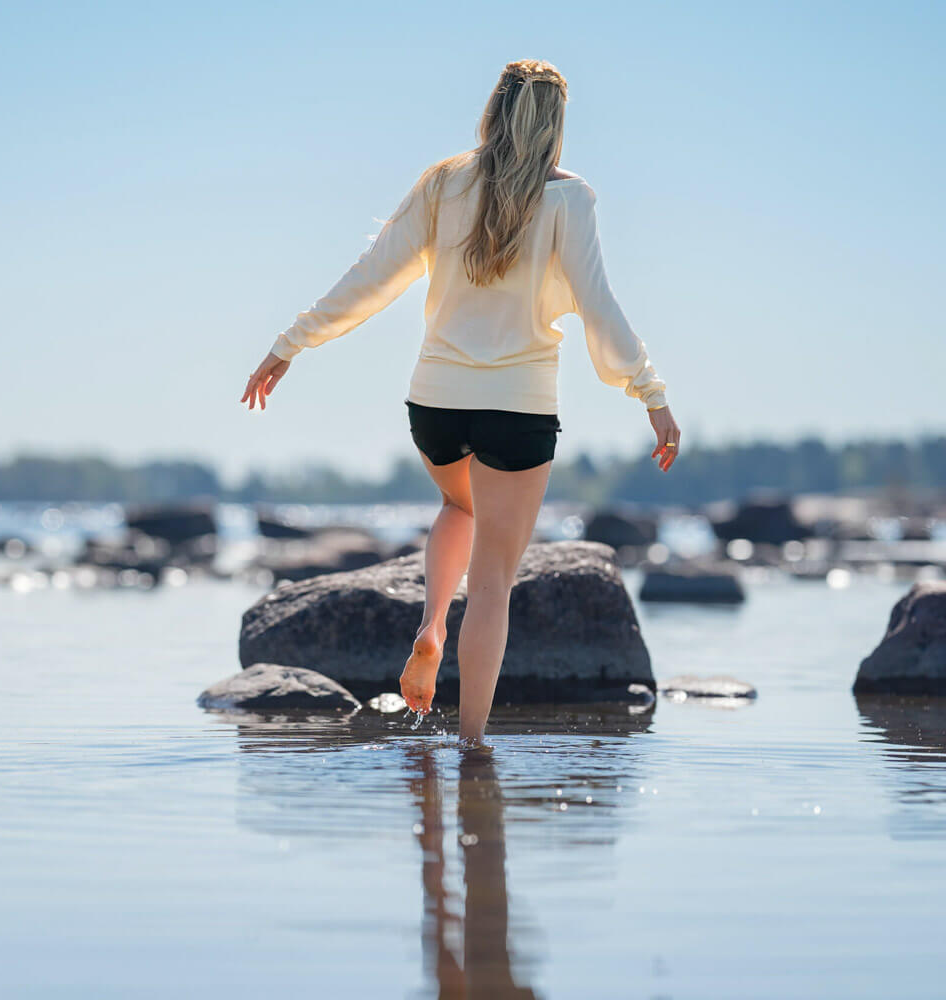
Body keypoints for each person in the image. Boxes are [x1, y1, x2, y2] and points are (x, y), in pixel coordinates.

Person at [240, 59, 680, 744]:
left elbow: (372, 276)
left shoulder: (444, 184)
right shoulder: (569, 199)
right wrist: (650, 394)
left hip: (436, 404)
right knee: (496, 582)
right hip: (518, 408)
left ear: (493, 112)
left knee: (458, 504)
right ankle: (472, 743)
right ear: (555, 125)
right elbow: (599, 306)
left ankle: (431, 624)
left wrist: (291, 344)